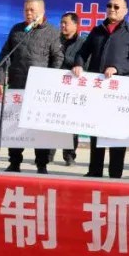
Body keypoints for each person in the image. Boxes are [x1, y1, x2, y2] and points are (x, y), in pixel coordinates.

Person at [73, 0, 129, 179]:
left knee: (117, 134)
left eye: (117, 7)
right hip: (98, 90)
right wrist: (79, 64)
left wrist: (117, 68)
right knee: (96, 130)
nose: (112, 9)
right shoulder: (97, 31)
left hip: (119, 91)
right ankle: (95, 171)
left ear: (125, 11)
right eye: (109, 5)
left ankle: (115, 174)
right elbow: (82, 52)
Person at [0, 0, 63, 174]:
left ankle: (41, 164)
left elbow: (58, 58)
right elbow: (5, 55)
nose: (28, 13)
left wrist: (49, 79)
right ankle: (14, 162)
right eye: (26, 10)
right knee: (15, 127)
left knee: (39, 128)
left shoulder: (52, 32)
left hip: (40, 89)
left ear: (42, 12)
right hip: (17, 84)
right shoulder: (17, 30)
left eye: (32, 10)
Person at [56, 12, 85, 166]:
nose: (62, 25)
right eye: (61, 22)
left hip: (73, 89)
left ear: (75, 25)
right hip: (54, 87)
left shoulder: (83, 43)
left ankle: (69, 156)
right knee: (51, 122)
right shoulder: (55, 40)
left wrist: (64, 59)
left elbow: (84, 63)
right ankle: (46, 156)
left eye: (66, 23)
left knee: (71, 124)